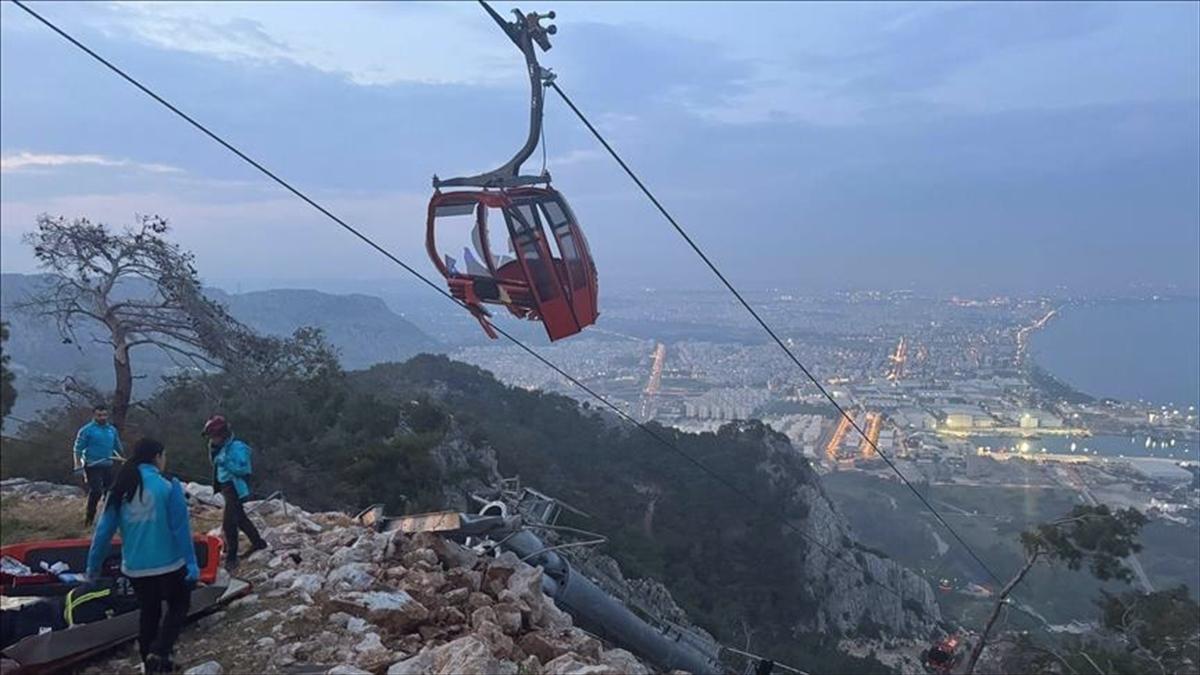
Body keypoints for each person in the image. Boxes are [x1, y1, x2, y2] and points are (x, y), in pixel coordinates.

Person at [86, 437, 198, 674]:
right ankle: (161, 650)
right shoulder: (168, 486)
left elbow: (103, 532)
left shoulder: (120, 489)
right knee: (179, 605)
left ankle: (151, 664)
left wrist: (92, 567)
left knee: (149, 611)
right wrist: (191, 563)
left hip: (136, 566)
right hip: (170, 563)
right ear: (157, 457)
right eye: (164, 456)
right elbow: (181, 529)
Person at [202, 415, 267, 571]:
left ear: (223, 434)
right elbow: (215, 463)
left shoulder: (237, 448)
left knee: (229, 523)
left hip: (234, 487)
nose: (212, 439)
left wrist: (226, 462)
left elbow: (244, 469)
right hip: (225, 486)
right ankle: (258, 543)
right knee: (240, 518)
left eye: (214, 436)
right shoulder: (217, 448)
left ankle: (231, 557)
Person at [74, 404, 125, 526]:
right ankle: (89, 519)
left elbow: (117, 446)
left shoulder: (112, 430)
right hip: (92, 465)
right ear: (94, 415)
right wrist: (77, 465)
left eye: (104, 415)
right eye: (99, 415)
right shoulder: (86, 430)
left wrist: (122, 457)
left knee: (111, 492)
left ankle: (109, 519)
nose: (102, 417)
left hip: (108, 464)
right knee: (96, 491)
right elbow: (78, 449)